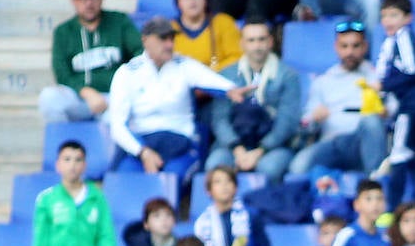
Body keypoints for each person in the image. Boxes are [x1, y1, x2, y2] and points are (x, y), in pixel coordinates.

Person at [108, 17, 254, 179]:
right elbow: (117, 126)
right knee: (124, 181)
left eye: (172, 39)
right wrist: (143, 152)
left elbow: (213, 81)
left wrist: (232, 90)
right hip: (141, 144)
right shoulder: (127, 73)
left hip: (180, 143)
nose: (170, 45)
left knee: (170, 182)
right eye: (163, 39)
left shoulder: (184, 65)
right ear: (145, 40)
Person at [207, 18, 303, 184]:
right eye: (251, 40)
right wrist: (237, 150)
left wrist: (260, 151)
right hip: (233, 144)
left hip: (273, 145)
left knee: (269, 169)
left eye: (262, 39)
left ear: (271, 42)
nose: (257, 46)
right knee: (215, 165)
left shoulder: (288, 76)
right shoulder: (226, 75)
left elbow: (287, 121)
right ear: (242, 44)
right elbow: (219, 119)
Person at [38, 0, 143, 123]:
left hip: (115, 98)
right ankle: (67, 145)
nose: (88, 3)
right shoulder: (63, 31)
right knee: (48, 97)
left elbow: (140, 52)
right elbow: (62, 74)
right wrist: (87, 92)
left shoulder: (119, 21)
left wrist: (124, 84)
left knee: (120, 116)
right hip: (81, 99)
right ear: (73, 1)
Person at [288, 23, 386, 179]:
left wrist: (384, 111)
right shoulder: (323, 81)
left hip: (362, 142)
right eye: (344, 46)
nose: (350, 52)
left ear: (365, 47)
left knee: (371, 121)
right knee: (298, 167)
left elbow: (392, 112)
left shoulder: (378, 77)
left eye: (355, 46)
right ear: (336, 47)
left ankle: (374, 185)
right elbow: (305, 123)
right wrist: (314, 117)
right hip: (333, 143)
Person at [374, 0, 415, 211]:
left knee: (398, 157)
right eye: (384, 16)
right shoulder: (397, 40)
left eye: (394, 15)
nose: (388, 21)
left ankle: (392, 212)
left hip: (414, 109)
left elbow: (411, 70)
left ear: (407, 18)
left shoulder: (402, 37)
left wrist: (384, 85)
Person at [193, 166, 273, 246]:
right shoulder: (202, 222)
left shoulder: (250, 215)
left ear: (236, 187)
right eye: (218, 182)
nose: (224, 186)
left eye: (228, 181)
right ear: (208, 190)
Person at [173, 0, 242, 73]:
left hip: (218, 80)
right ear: (177, 1)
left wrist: (210, 72)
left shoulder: (223, 22)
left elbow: (237, 56)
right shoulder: (169, 28)